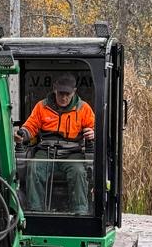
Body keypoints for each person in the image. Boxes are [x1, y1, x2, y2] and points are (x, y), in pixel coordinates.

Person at [16, 73, 95, 214]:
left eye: (67, 94)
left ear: (74, 91)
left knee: (78, 172)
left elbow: (94, 127)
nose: (64, 97)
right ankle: (36, 212)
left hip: (72, 153)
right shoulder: (42, 107)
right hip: (46, 151)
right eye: (60, 93)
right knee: (34, 167)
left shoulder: (83, 108)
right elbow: (31, 126)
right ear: (54, 89)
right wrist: (22, 134)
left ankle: (80, 213)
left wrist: (93, 133)